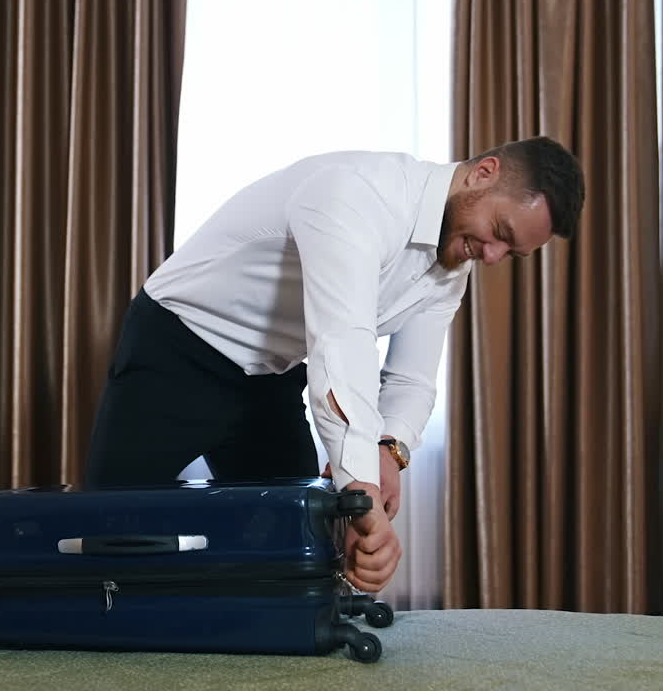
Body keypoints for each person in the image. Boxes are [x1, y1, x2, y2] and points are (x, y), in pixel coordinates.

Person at [84, 136, 585, 592]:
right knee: (107, 544)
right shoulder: (358, 194)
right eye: (499, 231)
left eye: (511, 253)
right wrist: (360, 493)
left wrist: (388, 452)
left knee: (299, 559)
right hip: (178, 348)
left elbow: (411, 378)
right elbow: (344, 344)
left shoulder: (454, 262)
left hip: (272, 376)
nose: (493, 256)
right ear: (483, 173)